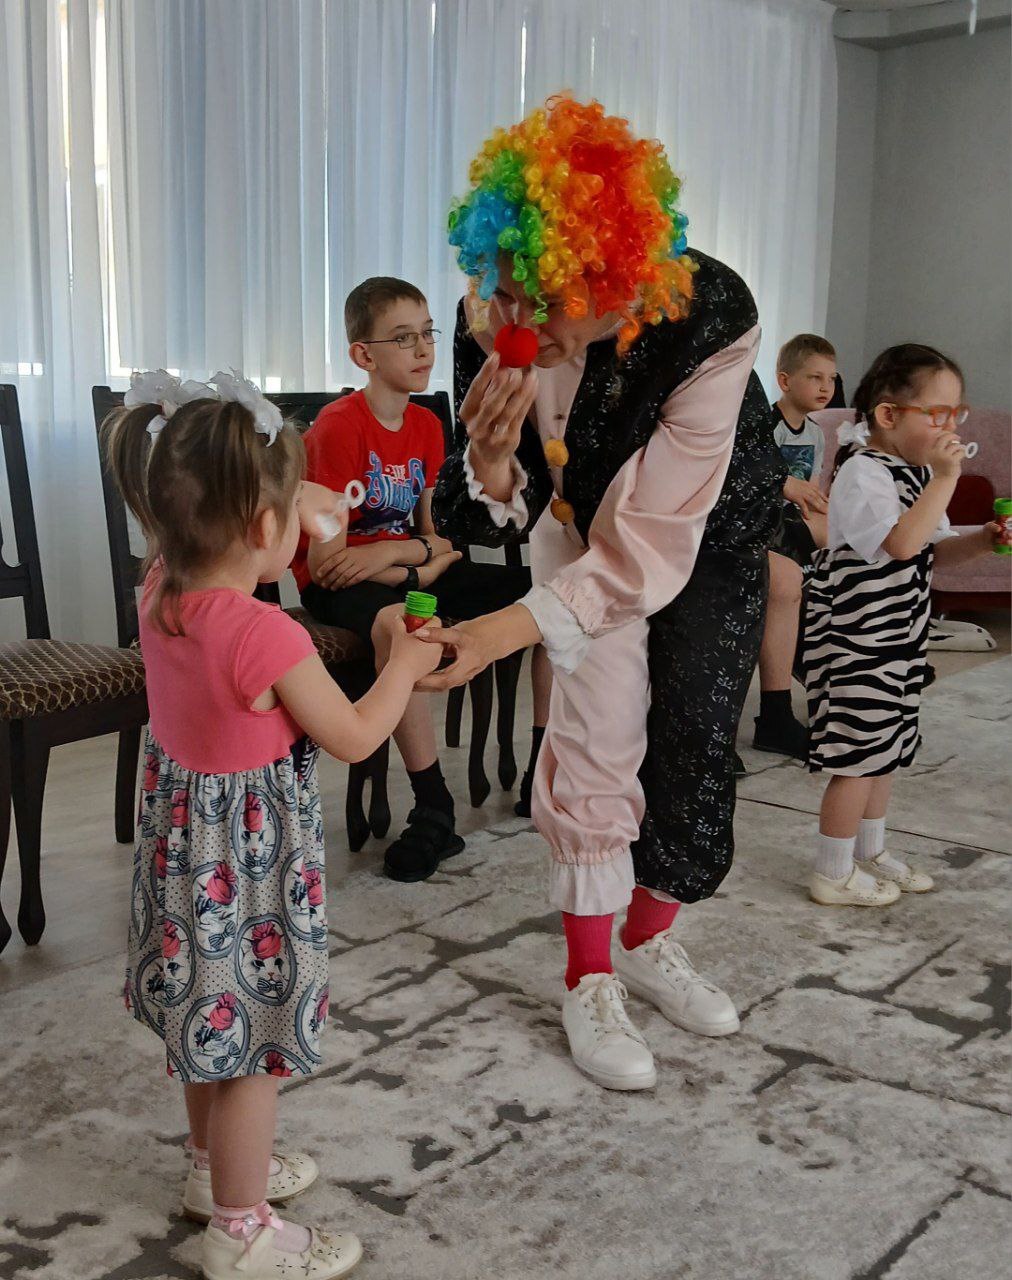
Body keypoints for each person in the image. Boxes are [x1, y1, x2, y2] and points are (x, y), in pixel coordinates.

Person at [421, 97, 786, 1090]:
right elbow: (493, 495)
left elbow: (650, 541)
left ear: (613, 280)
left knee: (697, 730)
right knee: (593, 726)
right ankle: (588, 975)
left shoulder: (712, 318)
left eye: (545, 303)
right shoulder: (491, 306)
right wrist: (488, 458)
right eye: (504, 292)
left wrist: (502, 631)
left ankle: (650, 938)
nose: (515, 324)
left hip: (702, 526)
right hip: (568, 516)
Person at [107, 370, 441, 1279]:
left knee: (206, 1030)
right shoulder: (268, 637)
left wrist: (296, 497)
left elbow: (239, 508)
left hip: (184, 867)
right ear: (264, 528)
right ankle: (240, 1230)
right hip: (247, 876)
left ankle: (209, 1170)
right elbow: (357, 733)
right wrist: (404, 666)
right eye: (291, 512)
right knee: (253, 1049)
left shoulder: (160, 589)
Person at [292, 278, 552, 879]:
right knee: (404, 626)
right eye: (403, 338)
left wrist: (406, 557)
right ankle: (433, 807)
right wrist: (420, 559)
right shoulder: (338, 427)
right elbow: (331, 564)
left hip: (402, 571)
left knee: (546, 601)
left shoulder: (430, 425)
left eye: (428, 334)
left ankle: (544, 766)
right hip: (343, 588)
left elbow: (442, 538)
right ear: (364, 355)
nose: (423, 349)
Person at [804, 344, 999, 906]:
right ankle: (831, 872)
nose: (950, 427)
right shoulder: (864, 472)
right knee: (857, 757)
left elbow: (932, 552)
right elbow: (902, 543)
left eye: (956, 414)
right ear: (888, 415)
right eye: (937, 414)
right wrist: (946, 478)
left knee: (888, 749)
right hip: (857, 640)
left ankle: (869, 851)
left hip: (900, 638)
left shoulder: (917, 473)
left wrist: (983, 540)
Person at [751, 334, 837, 760]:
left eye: (831, 379)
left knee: (845, 549)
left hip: (796, 518)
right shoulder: (765, 427)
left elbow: (814, 490)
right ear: (785, 381)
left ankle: (847, 670)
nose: (826, 387)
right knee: (795, 573)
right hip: (765, 522)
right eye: (815, 377)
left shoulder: (817, 434)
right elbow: (755, 487)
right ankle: (804, 662)